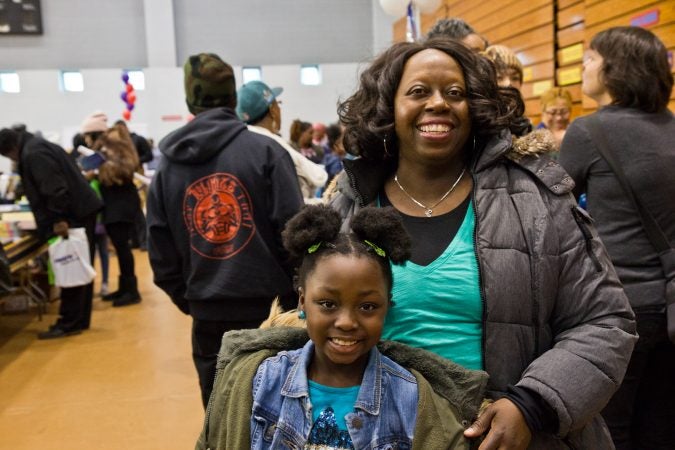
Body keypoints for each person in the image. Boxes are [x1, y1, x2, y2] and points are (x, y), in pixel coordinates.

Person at [325, 37, 637, 448]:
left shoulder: (536, 198)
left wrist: (531, 404)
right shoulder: (350, 202)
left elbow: (605, 320)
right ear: (388, 109)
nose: (438, 103)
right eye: (419, 91)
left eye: (454, 93)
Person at [197, 205, 489, 449]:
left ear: (388, 307)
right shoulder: (261, 381)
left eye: (367, 307)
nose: (347, 322)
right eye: (327, 304)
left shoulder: (412, 397)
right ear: (302, 302)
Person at [146, 52, 304, 408]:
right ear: (233, 98)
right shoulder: (265, 152)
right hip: (273, 313)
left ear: (189, 100)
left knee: (221, 414)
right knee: (281, 417)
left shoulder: (168, 168)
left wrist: (194, 301)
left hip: (208, 315)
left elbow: (160, 251)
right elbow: (298, 235)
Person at [558, 26, 675, 450]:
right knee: (661, 424)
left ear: (614, 69)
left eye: (589, 59)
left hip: (621, 304)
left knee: (612, 427)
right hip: (670, 306)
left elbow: (549, 203)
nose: (583, 67)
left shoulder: (589, 131)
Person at [0, 127, 102, 339]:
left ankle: (69, 322)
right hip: (80, 212)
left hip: (71, 216)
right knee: (79, 265)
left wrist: (58, 219)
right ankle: (78, 319)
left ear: (10, 151)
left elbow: (54, 188)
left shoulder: (33, 153)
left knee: (71, 264)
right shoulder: (37, 146)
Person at [82, 116, 143, 307]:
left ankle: (131, 291)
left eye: (87, 135)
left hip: (121, 203)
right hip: (115, 202)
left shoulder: (112, 145)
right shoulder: (107, 147)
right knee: (120, 246)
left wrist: (98, 171)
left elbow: (124, 170)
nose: (86, 140)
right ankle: (124, 288)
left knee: (122, 247)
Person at [236, 80, 327, 202]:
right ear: (273, 110)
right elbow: (318, 178)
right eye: (278, 104)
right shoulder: (273, 146)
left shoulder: (240, 144)